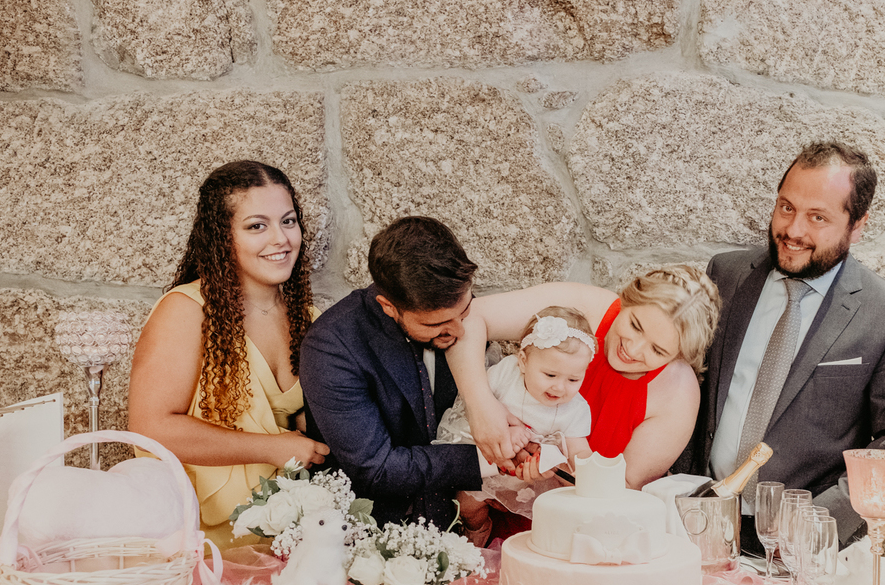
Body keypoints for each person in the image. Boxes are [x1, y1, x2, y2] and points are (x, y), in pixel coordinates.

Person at [678, 141, 885, 548]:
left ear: (857, 225)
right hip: (696, 521)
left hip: (803, 544)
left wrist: (819, 521)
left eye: (818, 217)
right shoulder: (724, 275)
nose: (794, 231)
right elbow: (684, 380)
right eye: (786, 207)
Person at [129, 160, 329, 550]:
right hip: (204, 544)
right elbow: (151, 427)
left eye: (288, 221)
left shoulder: (311, 319)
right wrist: (273, 448)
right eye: (257, 226)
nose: (280, 239)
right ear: (222, 236)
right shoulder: (187, 310)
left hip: (288, 539)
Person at [449, 265, 722, 491]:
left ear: (679, 355)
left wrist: (554, 467)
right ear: (627, 299)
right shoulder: (585, 307)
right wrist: (481, 408)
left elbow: (623, 489)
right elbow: (466, 319)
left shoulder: (678, 394)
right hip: (481, 489)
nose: (633, 349)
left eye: (657, 350)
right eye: (635, 325)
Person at [298, 216, 485, 530]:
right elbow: (378, 469)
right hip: (371, 532)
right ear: (388, 306)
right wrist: (488, 460)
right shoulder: (331, 347)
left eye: (464, 311)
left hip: (460, 522)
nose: (459, 331)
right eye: (436, 324)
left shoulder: (453, 306)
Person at [435, 306, 596, 546]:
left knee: (552, 513)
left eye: (574, 379)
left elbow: (578, 449)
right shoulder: (506, 374)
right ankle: (477, 527)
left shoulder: (576, 408)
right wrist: (506, 426)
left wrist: (587, 467)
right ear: (523, 362)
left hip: (529, 478)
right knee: (466, 504)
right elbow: (478, 404)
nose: (560, 387)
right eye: (550, 375)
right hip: (488, 462)